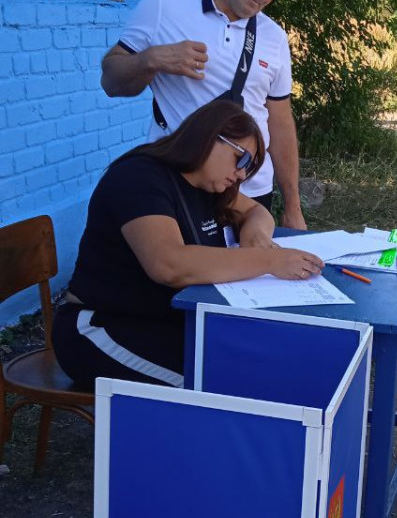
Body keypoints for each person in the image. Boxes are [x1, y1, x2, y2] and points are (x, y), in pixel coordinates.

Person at [52, 98, 323, 389]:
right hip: (100, 327)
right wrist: (270, 262)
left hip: (163, 322)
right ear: (208, 139)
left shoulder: (207, 185)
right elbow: (169, 265)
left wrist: (254, 236)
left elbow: (258, 212)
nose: (242, 175)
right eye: (241, 159)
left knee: (252, 363)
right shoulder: (140, 178)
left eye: (250, 167)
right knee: (216, 384)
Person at [100, 0, 306, 229]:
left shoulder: (274, 37)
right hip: (180, 187)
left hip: (250, 193)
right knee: (179, 273)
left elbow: (279, 121)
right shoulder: (165, 6)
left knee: (246, 274)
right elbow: (111, 80)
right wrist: (152, 59)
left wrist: (292, 206)